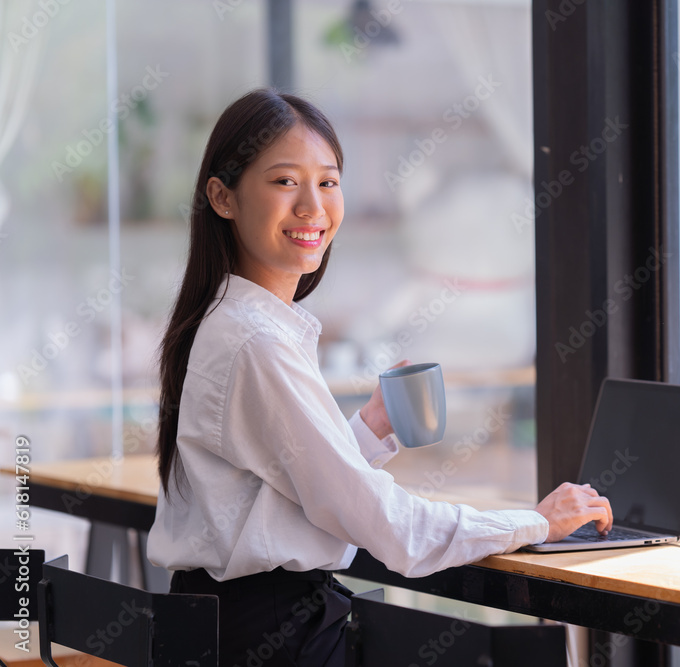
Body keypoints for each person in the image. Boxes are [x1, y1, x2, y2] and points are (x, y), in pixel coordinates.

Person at [146, 88, 613, 667]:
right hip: (271, 637)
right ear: (223, 197)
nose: (313, 207)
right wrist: (535, 522)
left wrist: (368, 429)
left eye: (328, 181)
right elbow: (388, 527)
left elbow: (279, 490)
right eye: (285, 181)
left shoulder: (228, 321)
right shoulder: (257, 343)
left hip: (225, 626)